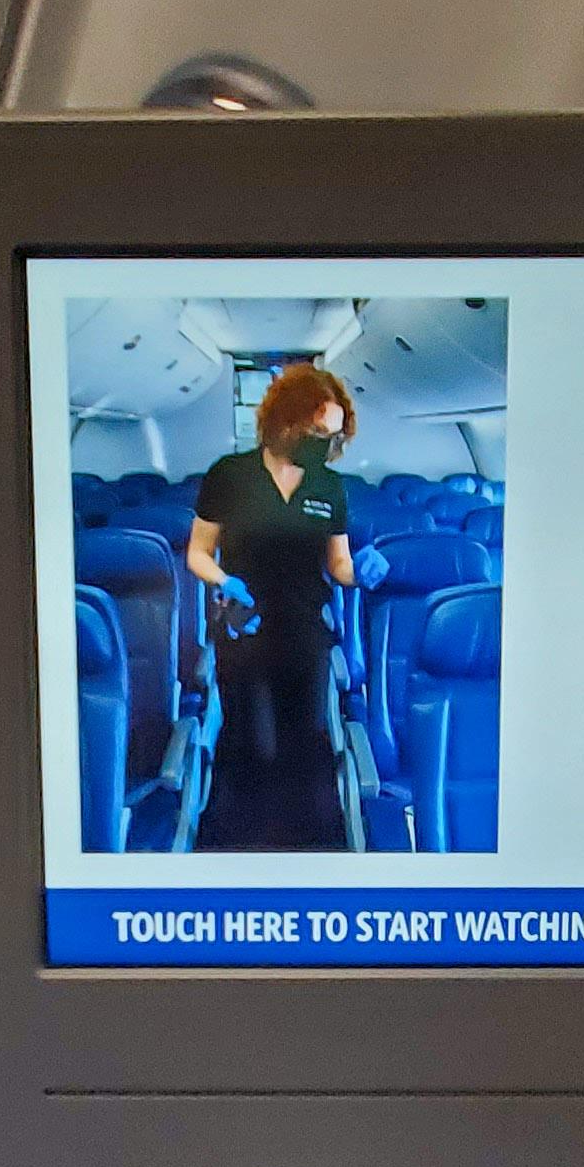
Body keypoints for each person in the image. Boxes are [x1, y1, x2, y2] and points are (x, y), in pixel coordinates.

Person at [183, 362, 360, 851]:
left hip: (305, 633)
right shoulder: (229, 474)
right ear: (285, 421)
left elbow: (339, 563)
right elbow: (198, 552)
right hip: (245, 628)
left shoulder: (329, 486)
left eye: (333, 436)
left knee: (304, 750)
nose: (324, 444)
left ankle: (301, 857)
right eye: (317, 432)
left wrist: (361, 572)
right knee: (251, 748)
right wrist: (225, 580)